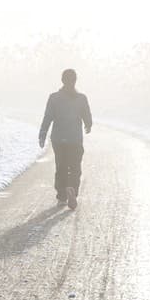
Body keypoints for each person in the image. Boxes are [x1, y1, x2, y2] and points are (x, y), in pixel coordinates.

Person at [38, 68, 93, 210]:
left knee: (61, 167)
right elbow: (87, 115)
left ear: (62, 80)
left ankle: (62, 197)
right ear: (75, 81)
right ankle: (72, 188)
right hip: (75, 139)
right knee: (75, 167)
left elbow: (48, 117)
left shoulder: (54, 97)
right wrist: (88, 125)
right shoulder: (81, 98)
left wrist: (42, 134)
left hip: (59, 139)